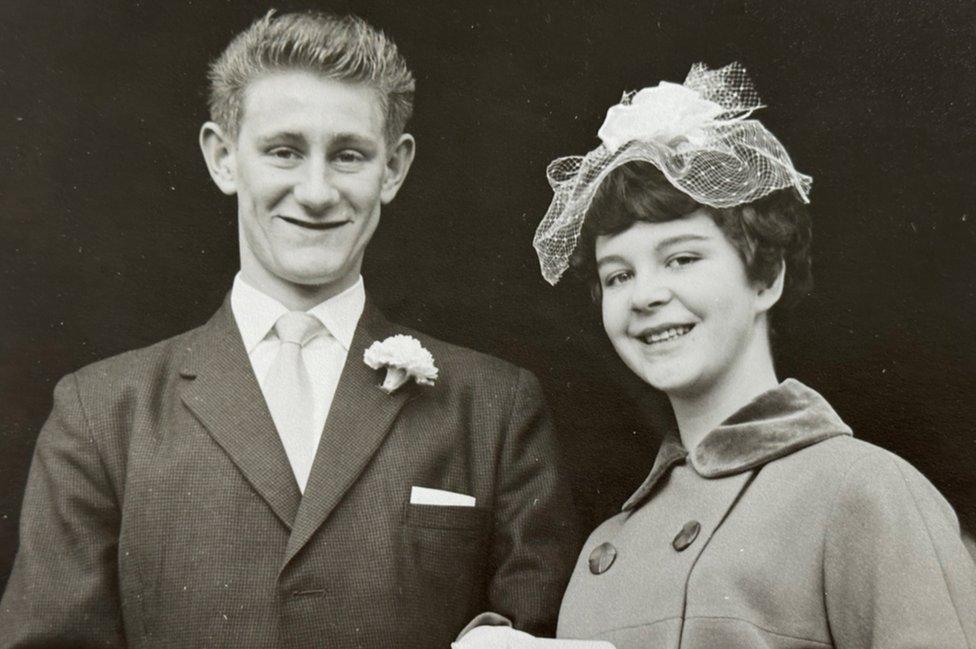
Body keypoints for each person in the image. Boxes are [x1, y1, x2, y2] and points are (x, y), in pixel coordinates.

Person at [0, 11, 577, 648]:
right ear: (223, 158)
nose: (317, 191)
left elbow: (539, 632)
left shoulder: (494, 406)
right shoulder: (102, 412)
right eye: (284, 151)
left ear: (393, 169)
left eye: (349, 155)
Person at [460, 63, 976, 648]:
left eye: (681, 258)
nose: (647, 295)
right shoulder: (610, 543)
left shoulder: (866, 492)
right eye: (619, 274)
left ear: (766, 278)